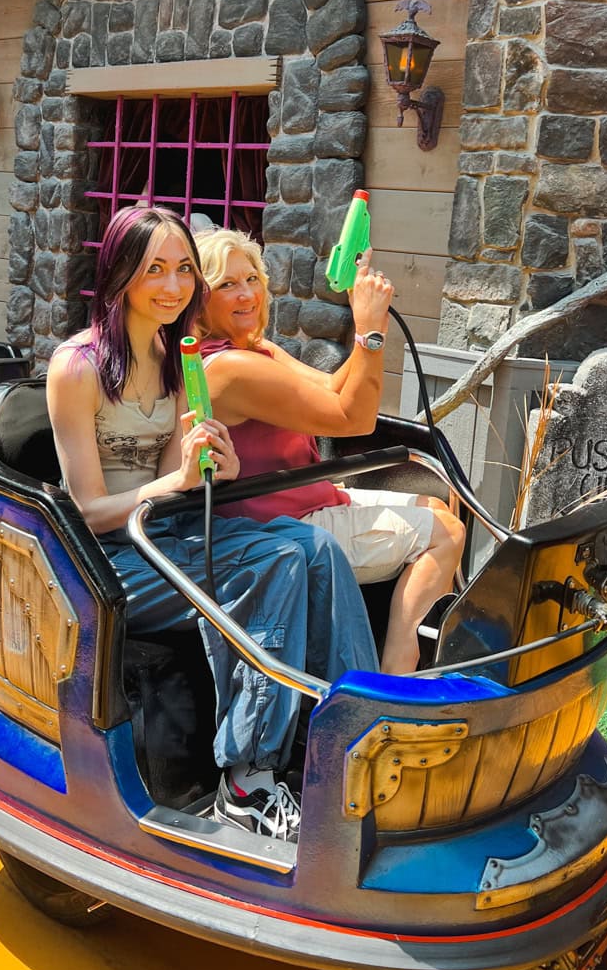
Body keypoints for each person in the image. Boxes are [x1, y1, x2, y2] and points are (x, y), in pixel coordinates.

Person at [46, 206, 378, 841]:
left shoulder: (179, 362)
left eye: (183, 271)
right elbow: (86, 510)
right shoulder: (77, 367)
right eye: (155, 270)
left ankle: (349, 740)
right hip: (102, 559)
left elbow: (181, 479)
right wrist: (177, 481)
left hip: (163, 536)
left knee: (316, 549)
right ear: (120, 273)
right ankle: (247, 783)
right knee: (275, 562)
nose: (173, 286)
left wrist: (212, 467)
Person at [194, 228, 466, 675]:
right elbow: (354, 420)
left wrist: (364, 321)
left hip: (305, 499)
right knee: (447, 533)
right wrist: (370, 331)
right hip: (280, 525)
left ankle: (404, 648)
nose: (247, 295)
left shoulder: (256, 350)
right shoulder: (230, 368)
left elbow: (332, 387)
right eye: (227, 285)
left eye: (252, 279)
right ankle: (397, 678)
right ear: (199, 300)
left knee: (438, 502)